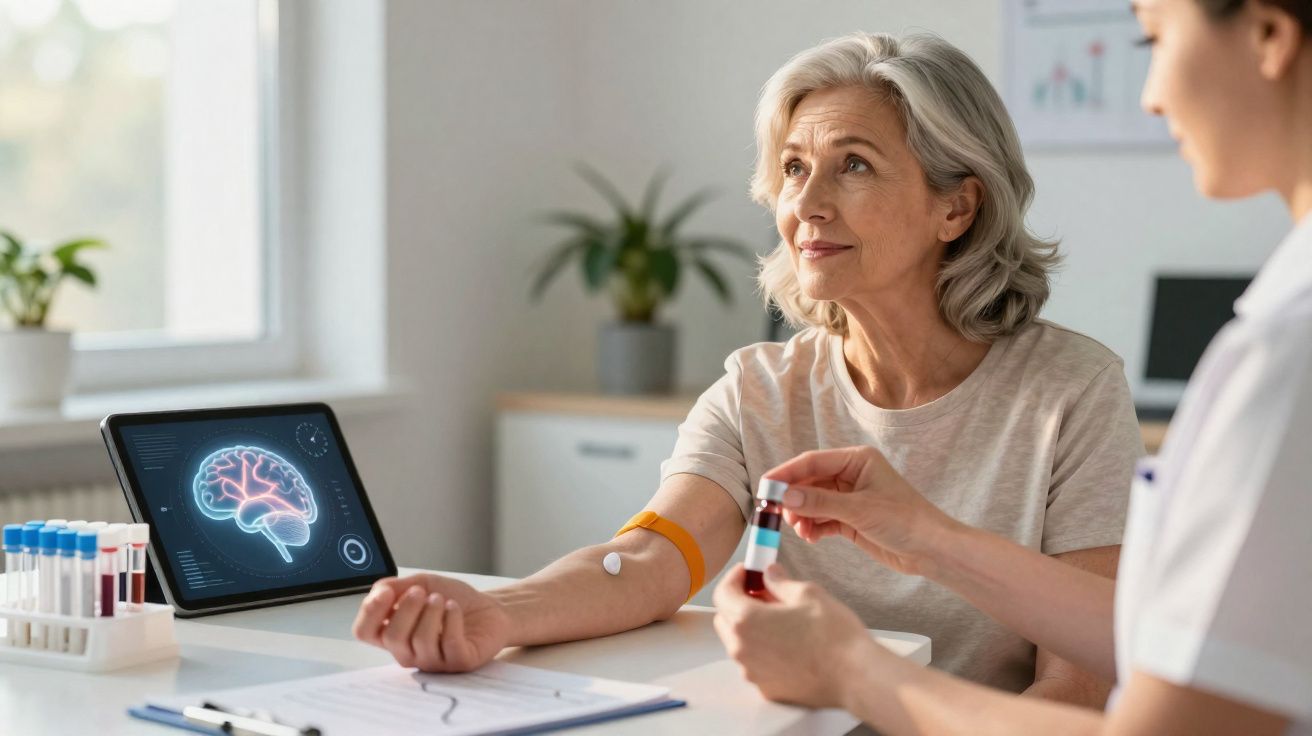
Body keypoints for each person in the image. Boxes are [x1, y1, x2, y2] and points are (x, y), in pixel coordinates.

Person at [353, 32, 1145, 703]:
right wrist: (500, 613)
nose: (808, 204)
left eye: (855, 165)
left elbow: (1077, 682)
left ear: (957, 207)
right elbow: (649, 564)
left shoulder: (1071, 392)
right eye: (795, 168)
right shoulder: (758, 389)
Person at [712, 1, 1312, 733]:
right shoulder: (1280, 333)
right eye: (794, 169)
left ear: (1269, 35)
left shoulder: (1285, 357)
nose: (1151, 95)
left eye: (1153, 38)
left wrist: (851, 670)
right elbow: (1167, 639)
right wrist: (929, 539)